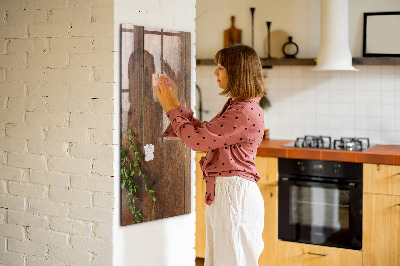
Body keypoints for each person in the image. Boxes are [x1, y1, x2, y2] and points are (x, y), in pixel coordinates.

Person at [153, 44, 266, 266]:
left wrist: (169, 108)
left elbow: (197, 141)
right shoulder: (239, 106)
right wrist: (175, 104)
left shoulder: (243, 111)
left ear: (237, 71)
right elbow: (205, 134)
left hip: (234, 196)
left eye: (221, 67)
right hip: (228, 194)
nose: (215, 72)